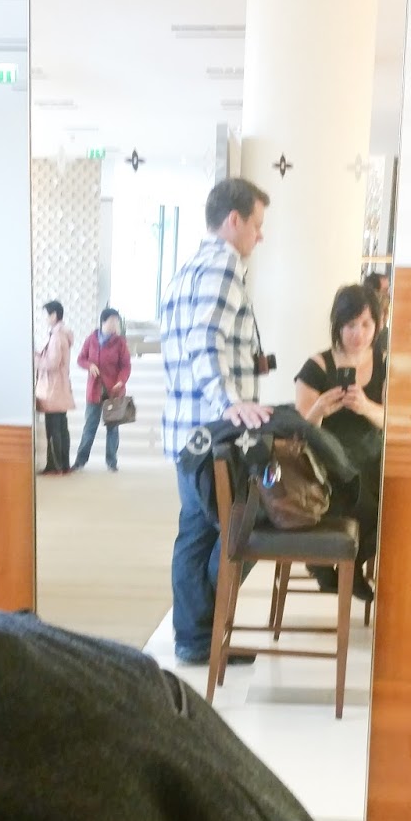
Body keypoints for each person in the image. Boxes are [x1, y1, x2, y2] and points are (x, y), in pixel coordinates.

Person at [160, 176, 273, 665]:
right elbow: (204, 341)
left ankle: (195, 637)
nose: (259, 236)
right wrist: (229, 401)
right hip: (215, 434)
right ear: (234, 220)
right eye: (257, 224)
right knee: (245, 526)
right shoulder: (225, 263)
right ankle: (203, 631)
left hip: (186, 429)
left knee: (197, 532)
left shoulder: (186, 268)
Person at [294, 282, 386, 603]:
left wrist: (367, 407)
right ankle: (332, 563)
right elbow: (301, 432)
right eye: (350, 325)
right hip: (328, 462)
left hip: (373, 458)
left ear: (377, 324)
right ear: (338, 325)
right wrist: (320, 408)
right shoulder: (317, 367)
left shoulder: (385, 364)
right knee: (353, 484)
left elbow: (396, 420)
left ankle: (353, 565)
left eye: (366, 324)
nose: (358, 334)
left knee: (393, 502)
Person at [73, 308, 132, 472]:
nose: (115, 325)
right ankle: (80, 461)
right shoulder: (91, 339)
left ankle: (111, 462)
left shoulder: (120, 342)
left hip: (114, 390)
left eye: (117, 321)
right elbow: (80, 359)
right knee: (89, 426)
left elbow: (126, 366)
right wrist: (89, 365)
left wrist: (121, 381)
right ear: (103, 322)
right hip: (94, 390)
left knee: (112, 428)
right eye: (112, 321)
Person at [34, 300, 75, 474]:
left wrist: (35, 359)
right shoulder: (62, 334)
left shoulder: (57, 336)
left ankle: (55, 465)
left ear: (54, 315)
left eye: (46, 315)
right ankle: (63, 464)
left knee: (54, 428)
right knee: (61, 426)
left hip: (53, 388)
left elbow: (52, 363)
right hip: (59, 387)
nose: (45, 319)